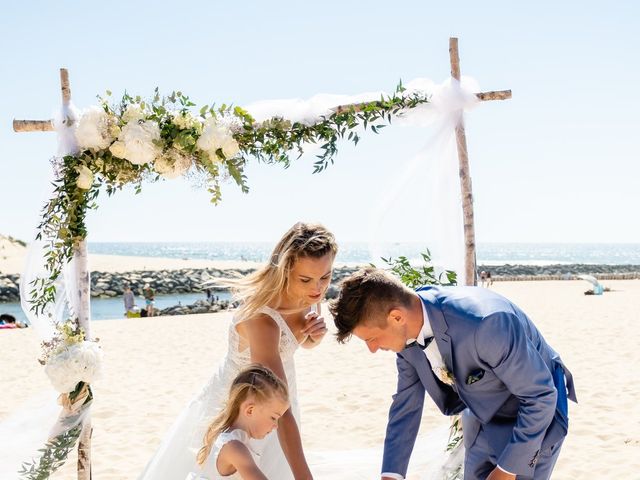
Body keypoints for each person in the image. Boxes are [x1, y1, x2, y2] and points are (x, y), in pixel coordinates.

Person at [329, 267, 577, 480]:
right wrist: (392, 475)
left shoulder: (486, 324)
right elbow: (406, 407)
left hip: (534, 422)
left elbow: (541, 396)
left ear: (396, 316)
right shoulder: (405, 337)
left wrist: (507, 469)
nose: (372, 349)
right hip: (480, 423)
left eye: (371, 338)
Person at [140, 222, 337, 480]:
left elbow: (298, 344)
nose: (318, 288)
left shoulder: (310, 297)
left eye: (326, 277)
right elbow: (281, 408)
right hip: (241, 407)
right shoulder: (261, 320)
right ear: (285, 271)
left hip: (280, 397)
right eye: (306, 279)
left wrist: (314, 337)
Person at [186, 364, 290, 480]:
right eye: (273, 418)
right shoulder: (234, 447)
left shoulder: (231, 437)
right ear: (250, 410)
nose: (276, 426)